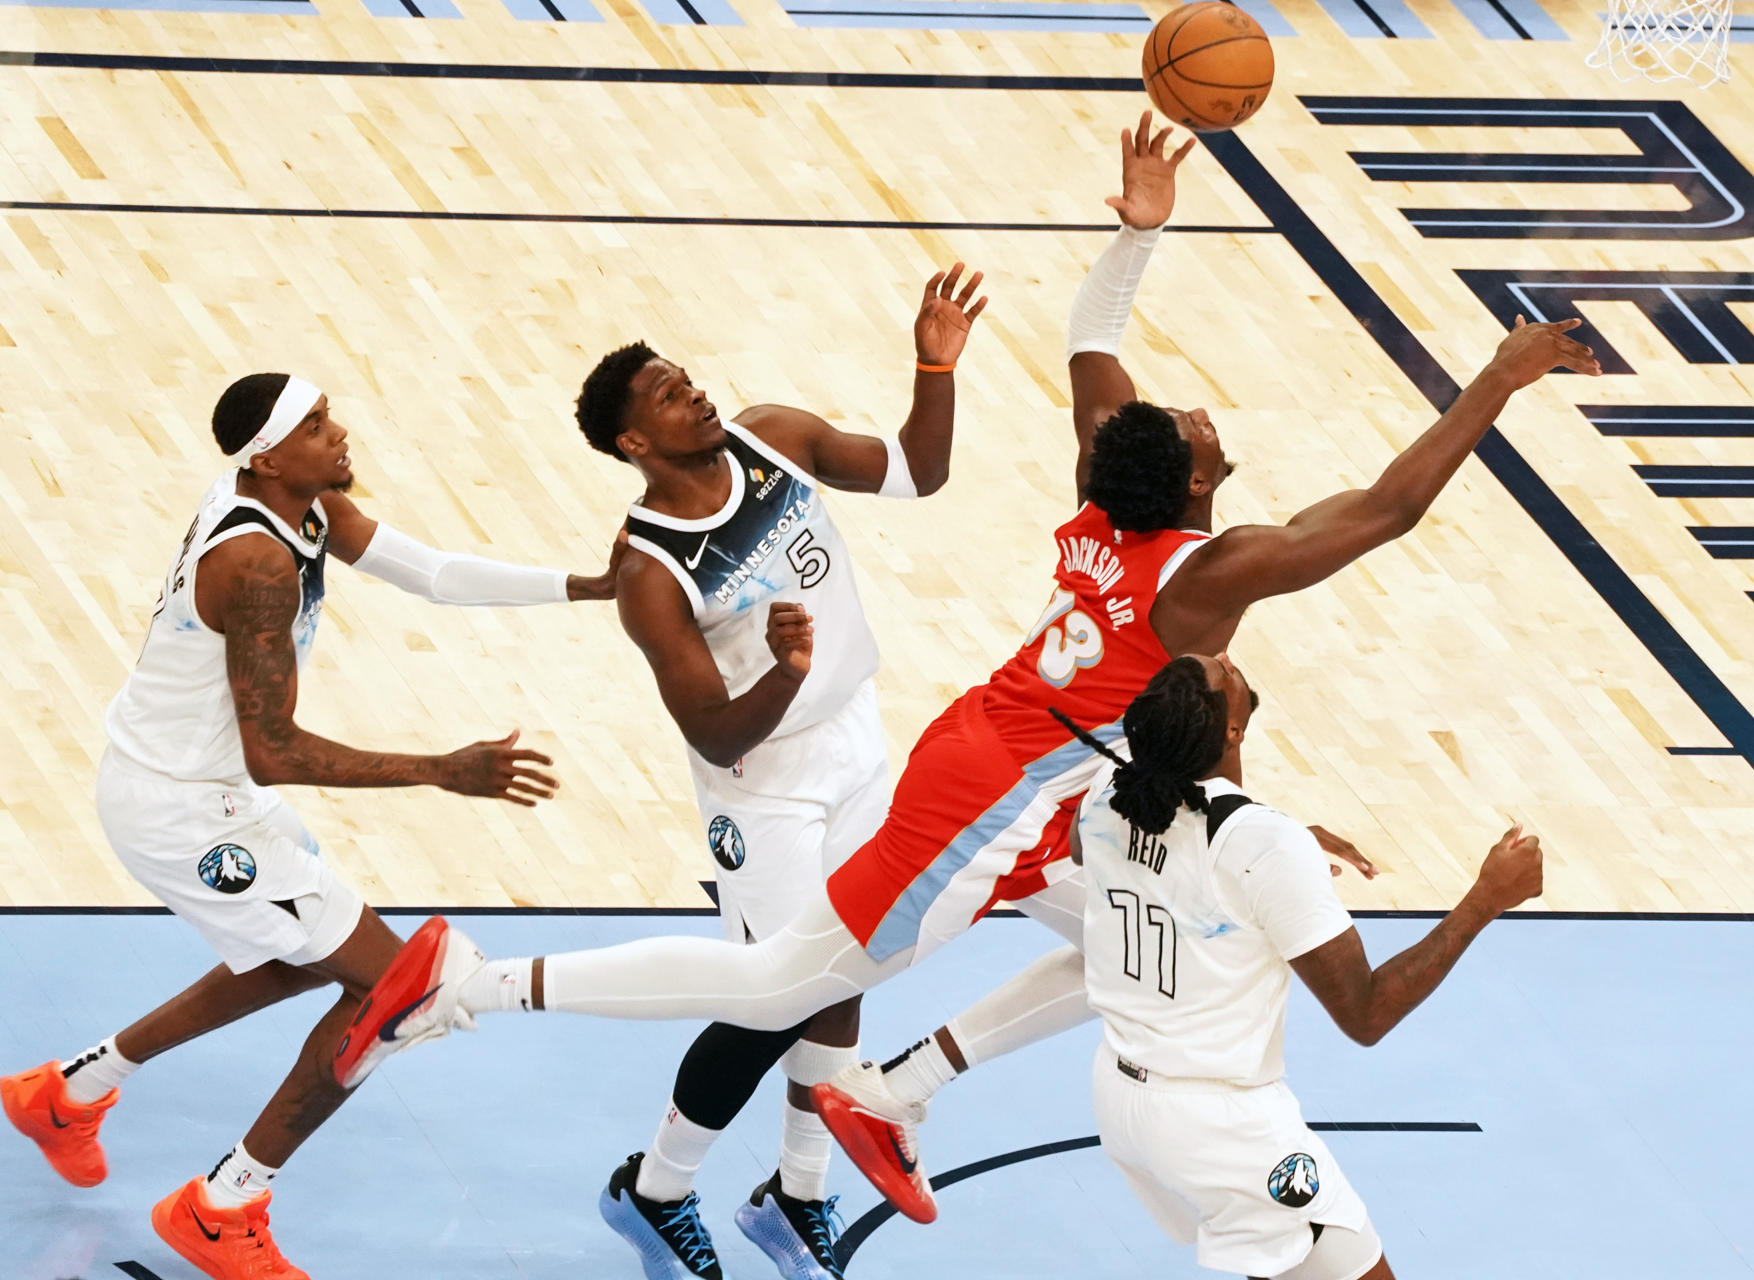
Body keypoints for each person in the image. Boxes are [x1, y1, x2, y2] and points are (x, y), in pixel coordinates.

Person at [330, 112, 1595, 1224]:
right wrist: (1495, 374)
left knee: (1133, 948)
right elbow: (1385, 509)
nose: (1202, 415)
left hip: (1046, 772)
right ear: (1199, 486)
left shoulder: (1111, 488)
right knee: (785, 982)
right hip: (991, 790)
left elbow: (1093, 334)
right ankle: (475, 983)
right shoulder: (1200, 577)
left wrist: (1142, 231)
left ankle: (903, 1086)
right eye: (1200, 424)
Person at [1, 373, 621, 1280]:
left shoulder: (299, 502)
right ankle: (223, 1206)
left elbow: (434, 573)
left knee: (297, 957)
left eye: (329, 417)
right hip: (185, 808)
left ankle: (70, 1092)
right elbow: (275, 750)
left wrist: (585, 586)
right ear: (266, 454)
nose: (338, 435)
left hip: (194, 783)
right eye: (316, 426)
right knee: (394, 990)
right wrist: (442, 770)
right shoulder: (256, 566)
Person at [571, 262, 986, 1280]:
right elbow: (713, 730)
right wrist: (786, 673)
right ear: (634, 442)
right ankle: (656, 1186)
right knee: (776, 993)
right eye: (669, 395)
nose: (696, 393)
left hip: (859, 739)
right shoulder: (649, 572)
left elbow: (916, 469)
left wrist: (934, 364)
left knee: (849, 961)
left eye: (688, 378)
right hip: (766, 788)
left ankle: (799, 1194)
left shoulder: (772, 435)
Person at [1058, 651, 1544, 1280]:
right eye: (1219, 674)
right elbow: (1366, 1014)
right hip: (1220, 1125)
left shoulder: (1110, 791)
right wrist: (1486, 900)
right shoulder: (1260, 844)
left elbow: (1103, 848)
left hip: (1121, 1096)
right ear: (1231, 730)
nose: (1227, 659)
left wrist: (1263, 856)